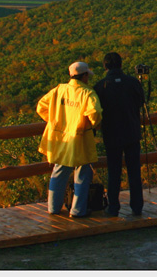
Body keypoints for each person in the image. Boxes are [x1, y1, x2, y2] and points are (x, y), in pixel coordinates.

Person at [36, 61, 103, 217]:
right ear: (84, 76)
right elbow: (95, 114)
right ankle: (78, 210)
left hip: (59, 138)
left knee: (58, 172)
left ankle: (53, 208)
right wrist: (94, 125)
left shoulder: (59, 90)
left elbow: (41, 106)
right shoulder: (87, 93)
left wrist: (54, 120)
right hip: (80, 139)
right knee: (83, 174)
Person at [93, 52, 146, 217]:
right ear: (121, 65)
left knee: (113, 172)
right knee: (134, 172)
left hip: (112, 135)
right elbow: (141, 102)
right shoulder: (133, 83)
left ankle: (113, 207)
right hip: (132, 132)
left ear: (105, 66)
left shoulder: (100, 86)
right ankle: (137, 207)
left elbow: (97, 112)